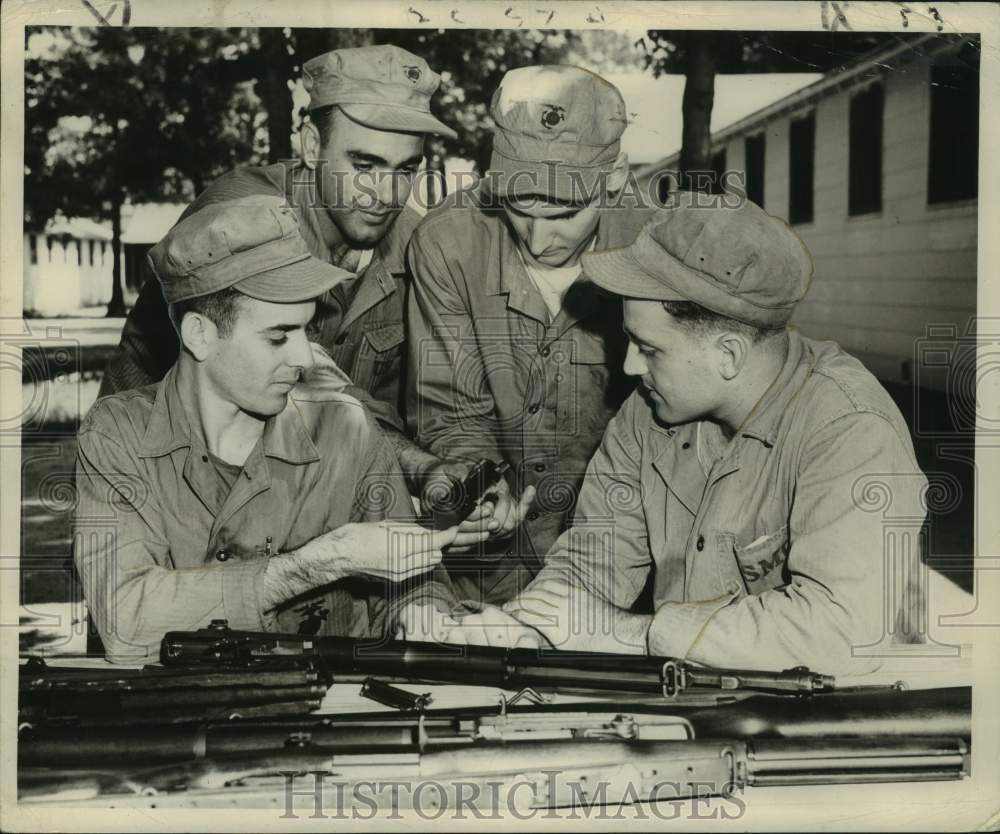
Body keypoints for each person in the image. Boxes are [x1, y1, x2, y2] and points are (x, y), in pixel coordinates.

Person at [98, 44, 529, 532]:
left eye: (405, 170)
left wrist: (461, 479)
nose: (385, 195)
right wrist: (421, 468)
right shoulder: (243, 216)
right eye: (364, 165)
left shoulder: (412, 242)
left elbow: (430, 398)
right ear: (310, 145)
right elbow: (308, 385)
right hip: (161, 481)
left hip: (302, 487)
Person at [503, 192, 928, 674]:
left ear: (728, 355)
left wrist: (632, 633)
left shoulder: (850, 430)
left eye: (648, 348)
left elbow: (843, 632)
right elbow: (590, 565)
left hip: (834, 723)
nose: (629, 365)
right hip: (697, 704)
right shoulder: (647, 413)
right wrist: (519, 630)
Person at [75, 197, 483, 663]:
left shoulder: (344, 427)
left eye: (306, 332)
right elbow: (125, 622)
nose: (305, 358)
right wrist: (316, 563)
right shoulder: (117, 436)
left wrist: (423, 615)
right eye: (278, 337)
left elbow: (415, 584)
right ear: (199, 336)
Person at [406, 65, 655, 608]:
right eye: (519, 208)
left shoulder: (658, 252)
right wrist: (478, 482)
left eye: (566, 212)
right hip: (487, 568)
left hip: (621, 562)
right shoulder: (448, 244)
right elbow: (450, 411)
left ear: (615, 174)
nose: (541, 239)